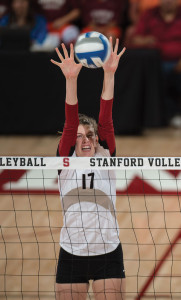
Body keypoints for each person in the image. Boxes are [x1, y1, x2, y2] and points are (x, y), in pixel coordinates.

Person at [51, 39, 126, 299]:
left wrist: (109, 73)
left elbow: (106, 118)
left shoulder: (106, 154)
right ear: (72, 142)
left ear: (97, 139)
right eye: (79, 136)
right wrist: (70, 80)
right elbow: (70, 123)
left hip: (108, 252)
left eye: (90, 135)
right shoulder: (65, 161)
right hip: (72, 254)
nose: (85, 140)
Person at [127, 0, 181, 126]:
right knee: (152, 78)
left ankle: (176, 114)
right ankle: (161, 117)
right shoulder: (149, 14)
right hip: (154, 63)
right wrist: (144, 40)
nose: (168, 2)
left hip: (177, 61)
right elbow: (135, 39)